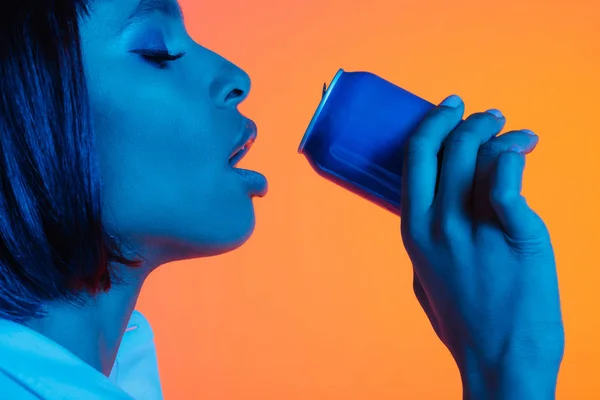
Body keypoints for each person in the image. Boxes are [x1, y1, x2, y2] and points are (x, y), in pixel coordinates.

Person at [0, 0, 564, 399]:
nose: (236, 75)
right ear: (20, 112)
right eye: (158, 48)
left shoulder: (113, 373)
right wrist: (507, 370)